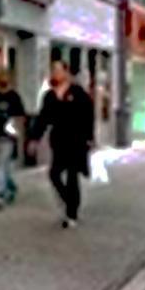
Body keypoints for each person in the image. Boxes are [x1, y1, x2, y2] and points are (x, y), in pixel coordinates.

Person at [27, 61, 95, 228]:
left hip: (76, 140)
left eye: (58, 70)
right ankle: (69, 201)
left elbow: (88, 115)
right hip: (58, 141)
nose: (55, 73)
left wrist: (89, 137)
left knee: (72, 175)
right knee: (54, 174)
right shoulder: (49, 96)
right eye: (53, 70)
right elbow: (42, 119)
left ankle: (71, 214)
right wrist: (34, 138)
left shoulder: (78, 93)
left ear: (66, 72)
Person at [0, 69, 26, 208]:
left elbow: (20, 115)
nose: (3, 80)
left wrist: (17, 131)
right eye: (1, 77)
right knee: (4, 166)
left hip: (8, 137)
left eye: (5, 77)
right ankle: (11, 186)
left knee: (0, 165)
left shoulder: (14, 96)